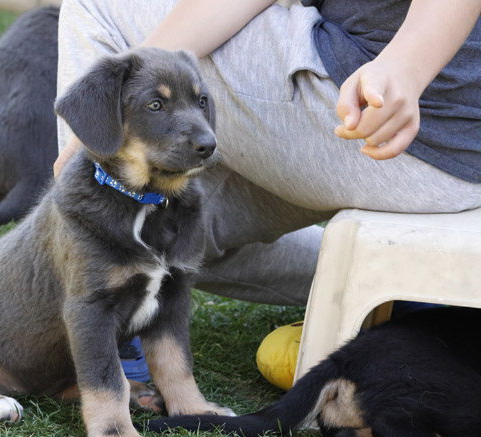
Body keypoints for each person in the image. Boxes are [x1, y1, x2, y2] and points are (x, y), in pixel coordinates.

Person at [55, 0, 481, 307]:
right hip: (452, 164)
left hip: (382, 103)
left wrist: (407, 66)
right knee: (178, 236)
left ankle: (87, 287)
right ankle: (397, 285)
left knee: (98, 4)